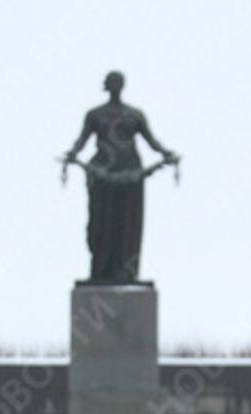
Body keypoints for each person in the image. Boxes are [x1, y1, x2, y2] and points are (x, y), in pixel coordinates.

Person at [65, 70, 178, 283]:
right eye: (111, 82)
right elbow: (82, 140)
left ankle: (125, 271)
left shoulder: (135, 115)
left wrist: (166, 154)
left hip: (130, 173)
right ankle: (101, 269)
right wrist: (73, 153)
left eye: (118, 82)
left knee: (128, 221)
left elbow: (151, 141)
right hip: (102, 173)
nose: (115, 85)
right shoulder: (95, 114)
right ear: (106, 86)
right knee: (101, 220)